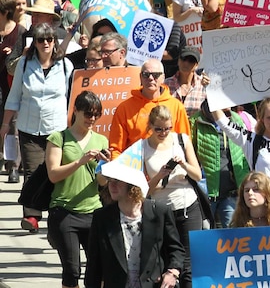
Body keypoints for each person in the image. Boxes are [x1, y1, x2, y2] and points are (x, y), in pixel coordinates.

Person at [2, 23, 73, 232]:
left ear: (54, 42)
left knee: (53, 172)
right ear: (35, 42)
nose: (45, 43)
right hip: (29, 128)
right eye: (40, 39)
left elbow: (73, 96)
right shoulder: (24, 64)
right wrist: (5, 125)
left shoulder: (66, 66)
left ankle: (55, 214)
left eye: (49, 39)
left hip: (57, 128)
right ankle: (32, 214)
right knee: (32, 172)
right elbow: (14, 96)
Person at [84, 160, 185, 288]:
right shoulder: (102, 217)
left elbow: (176, 249)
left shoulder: (159, 211)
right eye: (110, 181)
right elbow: (94, 263)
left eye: (117, 181)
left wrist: (173, 273)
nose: (112, 185)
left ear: (133, 186)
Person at [46, 91, 110, 288]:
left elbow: (102, 182)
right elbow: (54, 174)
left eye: (96, 115)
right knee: (72, 270)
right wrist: (80, 161)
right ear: (76, 111)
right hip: (64, 211)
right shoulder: (58, 138)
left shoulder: (101, 140)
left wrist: (105, 167)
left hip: (92, 211)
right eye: (88, 114)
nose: (92, 119)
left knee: (98, 269)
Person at [142, 106, 203, 288]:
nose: (163, 133)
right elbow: (143, 190)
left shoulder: (181, 140)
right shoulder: (143, 147)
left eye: (168, 128)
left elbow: (197, 175)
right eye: (158, 129)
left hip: (187, 206)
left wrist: (183, 164)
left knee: (189, 265)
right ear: (150, 126)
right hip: (160, 210)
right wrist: (160, 175)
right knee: (165, 263)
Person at [109, 58, 191, 159]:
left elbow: (185, 144)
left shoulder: (177, 106)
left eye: (156, 75)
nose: (151, 78)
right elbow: (116, 148)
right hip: (135, 169)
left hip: (169, 169)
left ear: (163, 78)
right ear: (140, 77)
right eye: (146, 75)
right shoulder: (124, 108)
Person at [189, 100, 250, 230]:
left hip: (232, 192)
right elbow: (190, 153)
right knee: (204, 233)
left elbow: (243, 152)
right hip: (206, 191)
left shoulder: (236, 118)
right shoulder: (196, 120)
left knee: (233, 233)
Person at [217, 97, 270, 178]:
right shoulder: (251, 140)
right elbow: (224, 123)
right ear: (262, 118)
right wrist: (210, 90)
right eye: (269, 117)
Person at [164, 47, 208, 118]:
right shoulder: (165, 84)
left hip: (196, 127)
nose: (186, 63)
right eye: (183, 59)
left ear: (197, 65)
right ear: (178, 61)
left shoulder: (204, 85)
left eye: (191, 60)